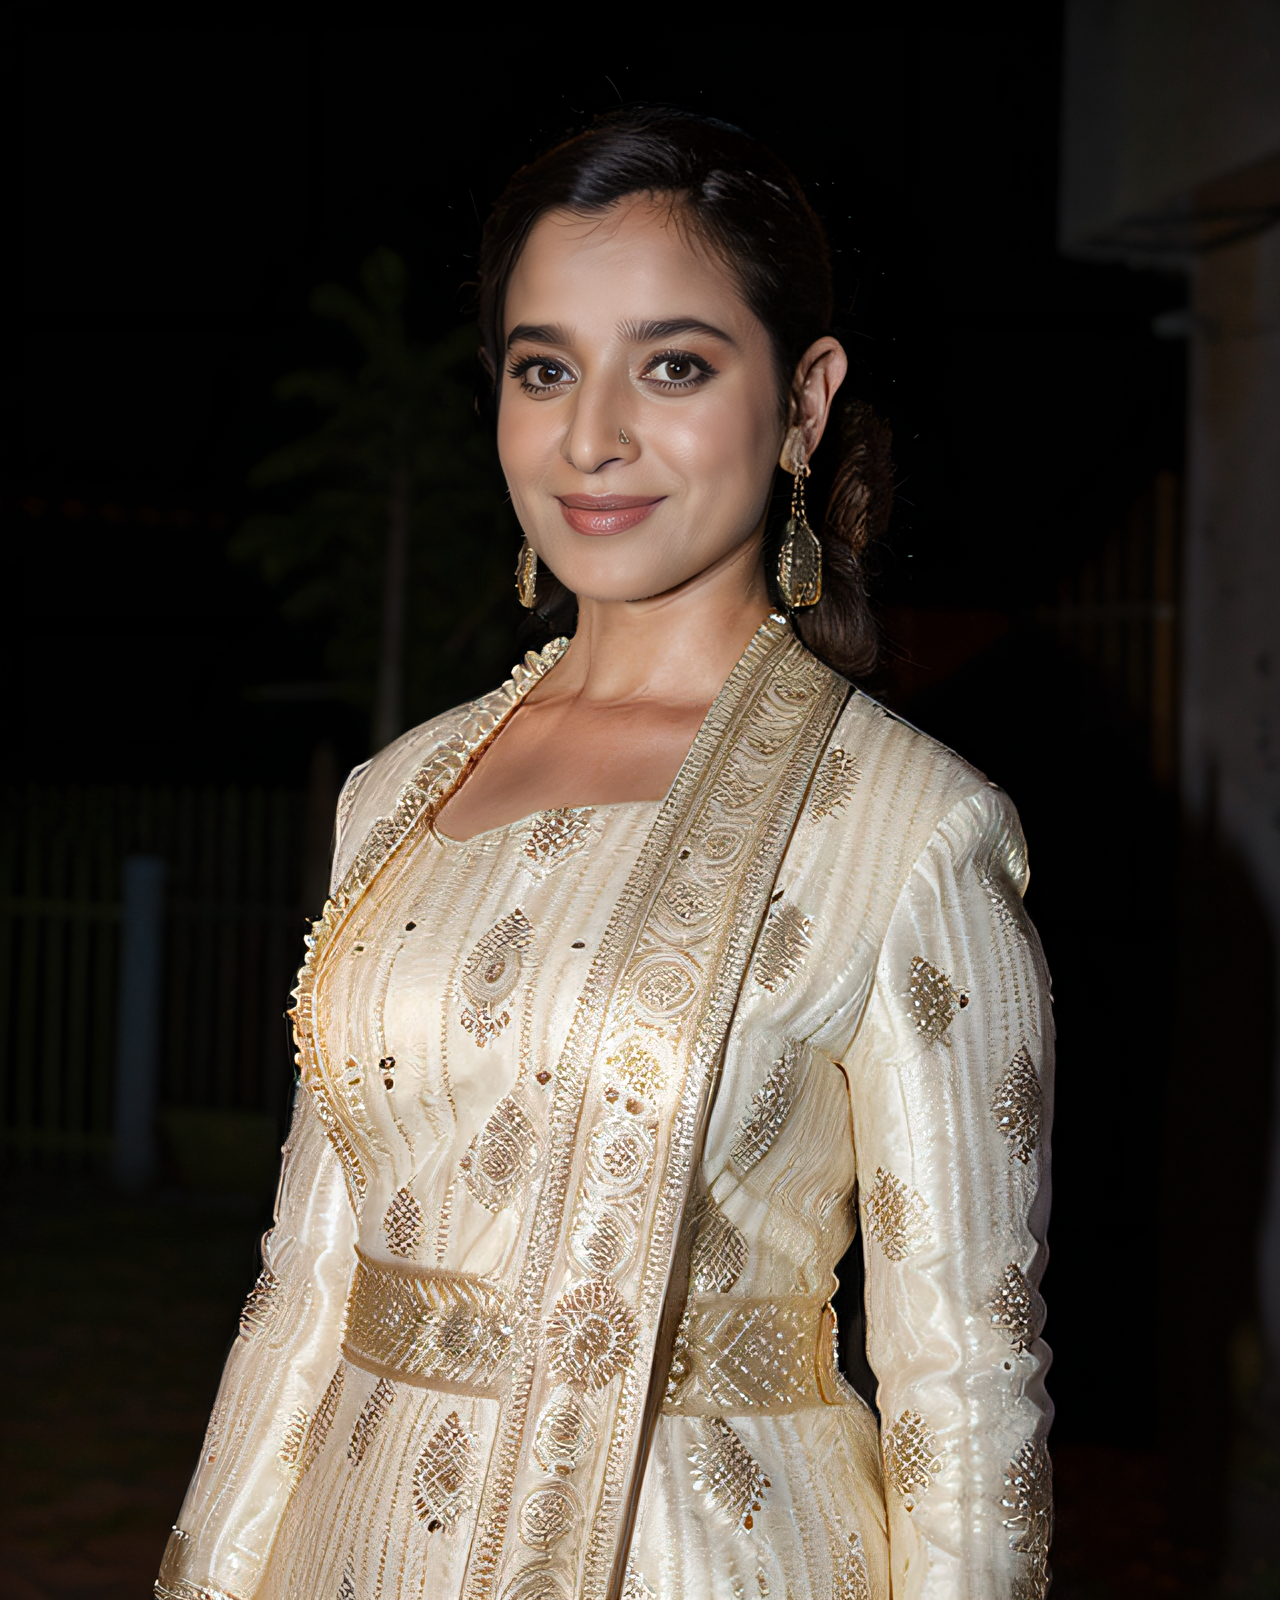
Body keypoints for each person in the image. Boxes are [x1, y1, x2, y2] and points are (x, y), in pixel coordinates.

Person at [157, 109, 1053, 1600]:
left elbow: (969, 1383)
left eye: (674, 366)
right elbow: (303, 1281)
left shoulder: (911, 828)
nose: (591, 437)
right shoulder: (397, 791)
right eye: (546, 368)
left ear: (804, 402)